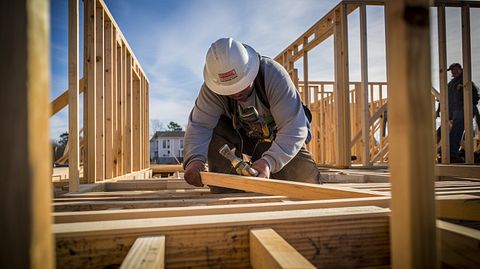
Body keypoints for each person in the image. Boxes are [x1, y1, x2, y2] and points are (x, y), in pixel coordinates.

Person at [183, 37, 320, 192]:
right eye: (229, 89)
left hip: (281, 138)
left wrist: (269, 161)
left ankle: (266, 165)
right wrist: (194, 161)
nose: (236, 92)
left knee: (305, 184)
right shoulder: (212, 90)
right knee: (216, 127)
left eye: (241, 84)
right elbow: (200, 126)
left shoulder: (272, 75)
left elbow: (293, 128)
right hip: (246, 137)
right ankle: (229, 189)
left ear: (251, 70)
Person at [436, 63, 480, 163]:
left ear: (461, 69)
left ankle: (451, 153)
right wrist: (439, 111)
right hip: (453, 112)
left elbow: (475, 96)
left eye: (455, 69)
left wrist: (468, 104)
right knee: (452, 131)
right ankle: (449, 154)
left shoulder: (465, 81)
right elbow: (442, 97)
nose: (453, 71)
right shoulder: (451, 84)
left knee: (459, 131)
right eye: (452, 70)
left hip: (463, 109)